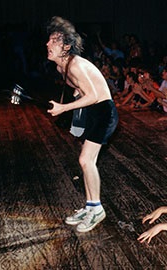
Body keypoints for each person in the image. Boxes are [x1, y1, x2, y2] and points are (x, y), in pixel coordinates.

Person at [45, 16, 118, 232]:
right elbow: (83, 91)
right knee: (86, 161)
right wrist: (76, 98)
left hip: (104, 112)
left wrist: (63, 108)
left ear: (66, 46)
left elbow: (95, 95)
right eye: (48, 40)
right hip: (93, 113)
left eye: (54, 41)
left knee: (86, 160)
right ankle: (90, 205)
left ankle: (97, 209)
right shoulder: (62, 68)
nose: (47, 44)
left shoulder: (75, 64)